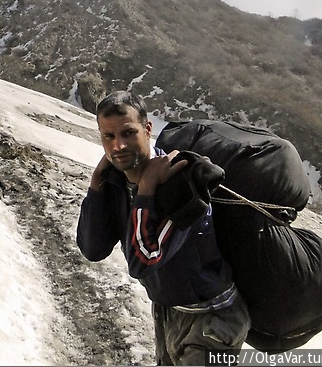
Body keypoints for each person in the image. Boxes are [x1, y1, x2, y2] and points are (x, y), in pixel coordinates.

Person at [76, 91, 250, 366]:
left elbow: (143, 260)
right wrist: (97, 186)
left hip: (212, 319)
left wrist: (146, 189)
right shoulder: (117, 181)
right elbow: (93, 249)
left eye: (128, 133)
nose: (118, 146)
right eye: (108, 137)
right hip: (168, 311)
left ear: (147, 129)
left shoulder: (182, 182)